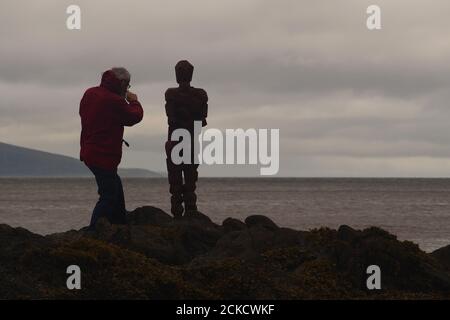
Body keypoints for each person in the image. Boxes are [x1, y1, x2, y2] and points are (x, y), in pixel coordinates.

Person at [79, 67, 143, 229]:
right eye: (127, 86)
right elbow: (134, 116)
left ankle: (119, 221)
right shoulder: (114, 101)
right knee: (108, 195)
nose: (127, 89)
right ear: (121, 83)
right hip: (103, 155)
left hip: (89, 150)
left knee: (114, 185)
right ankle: (94, 231)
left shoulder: (90, 93)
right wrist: (134, 100)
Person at [165, 60, 208, 217]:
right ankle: (189, 210)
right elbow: (202, 120)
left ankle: (179, 212)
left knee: (177, 182)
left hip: (176, 142)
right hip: (189, 142)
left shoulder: (171, 94)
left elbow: (171, 119)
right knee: (189, 182)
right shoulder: (200, 95)